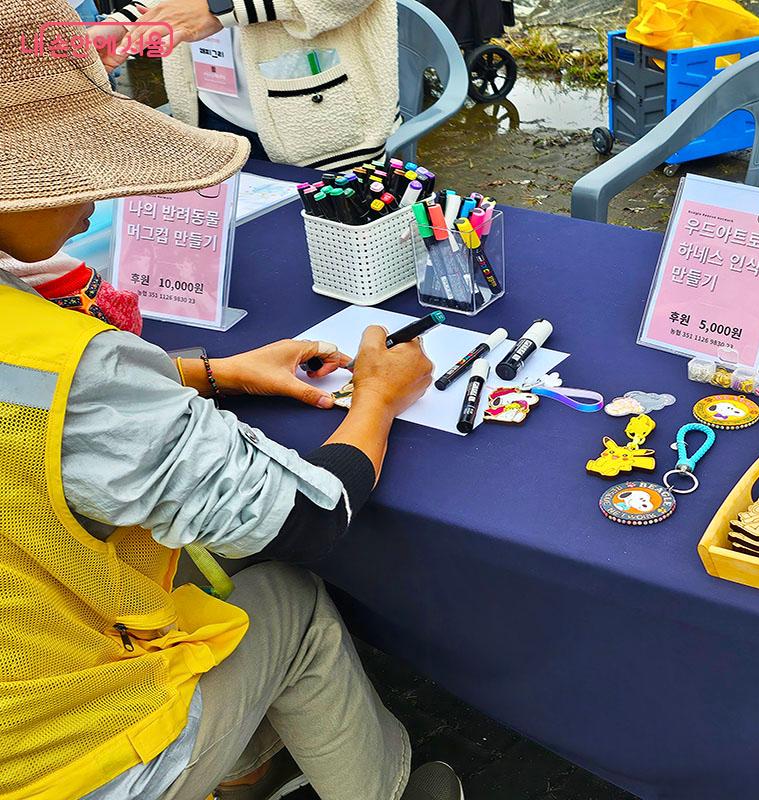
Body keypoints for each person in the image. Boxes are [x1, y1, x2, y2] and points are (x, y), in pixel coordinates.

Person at [0, 3, 460, 799]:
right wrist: (379, 399)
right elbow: (310, 519)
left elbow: (36, 414)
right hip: (64, 759)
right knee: (288, 601)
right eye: (72, 178)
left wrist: (213, 374)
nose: (94, 204)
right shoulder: (72, 366)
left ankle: (245, 763)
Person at [94, 0, 400, 168]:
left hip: (319, 118)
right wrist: (127, 23)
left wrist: (221, 8)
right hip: (208, 106)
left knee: (326, 255)